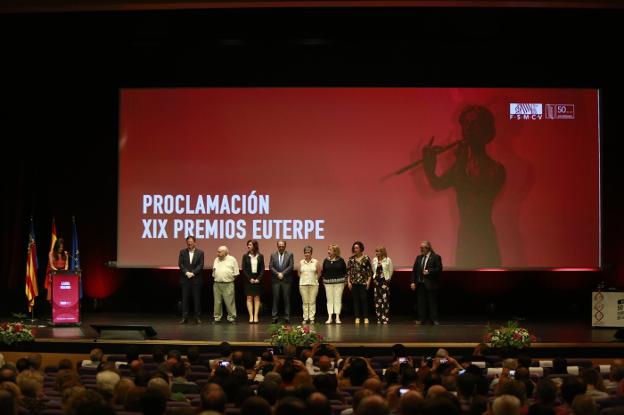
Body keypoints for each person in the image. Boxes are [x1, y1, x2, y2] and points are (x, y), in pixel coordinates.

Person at [422, 105, 505, 268]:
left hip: (484, 238)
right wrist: (429, 166)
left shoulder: (496, 169)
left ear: (486, 129)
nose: (468, 128)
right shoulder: (461, 165)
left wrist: (460, 164)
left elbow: (476, 199)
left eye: (474, 124)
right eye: (465, 124)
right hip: (465, 238)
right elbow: (437, 184)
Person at [410, 240, 442, 325]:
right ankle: (421, 319)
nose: (421, 249)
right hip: (420, 284)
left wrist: (429, 271)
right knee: (421, 303)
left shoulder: (435, 257)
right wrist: (413, 282)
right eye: (420, 248)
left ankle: (434, 319)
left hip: (431, 284)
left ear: (428, 248)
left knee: (432, 302)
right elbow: (414, 271)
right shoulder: (419, 258)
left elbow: (439, 269)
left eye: (422, 248)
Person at [178, 235, 205, 324]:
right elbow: (181, 264)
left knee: (197, 299)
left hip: (196, 279)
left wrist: (193, 273)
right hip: (185, 279)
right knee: (185, 299)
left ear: (195, 243)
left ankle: (197, 317)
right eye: (188, 241)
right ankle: (184, 317)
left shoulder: (200, 253)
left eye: (191, 241)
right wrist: (186, 273)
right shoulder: (182, 252)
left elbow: (200, 265)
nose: (189, 243)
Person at [346, 241, 373, 324]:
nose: (355, 249)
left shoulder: (366, 258)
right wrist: (349, 282)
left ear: (361, 248)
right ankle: (357, 317)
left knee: (364, 299)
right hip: (354, 282)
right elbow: (349, 272)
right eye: (354, 248)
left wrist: (368, 282)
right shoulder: (351, 259)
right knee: (356, 300)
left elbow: (369, 272)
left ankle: (365, 317)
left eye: (357, 248)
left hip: (363, 282)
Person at [212, 245, 239, 323]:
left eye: (219, 252)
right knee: (217, 302)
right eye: (217, 251)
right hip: (217, 284)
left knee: (229, 302)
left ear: (225, 252)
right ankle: (217, 318)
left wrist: (229, 280)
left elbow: (236, 273)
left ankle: (231, 317)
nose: (217, 253)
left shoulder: (232, 259)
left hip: (228, 284)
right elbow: (214, 272)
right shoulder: (216, 259)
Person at [269, 240, 294, 324]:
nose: (281, 247)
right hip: (276, 280)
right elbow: (271, 266)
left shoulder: (289, 254)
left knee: (286, 299)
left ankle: (287, 317)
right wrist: (278, 274)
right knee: (275, 299)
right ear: (277, 246)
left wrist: (282, 273)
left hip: (286, 280)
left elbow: (291, 266)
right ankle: (274, 317)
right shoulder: (273, 255)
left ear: (285, 246)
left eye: (282, 246)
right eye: (279, 246)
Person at [322, 244, 347, 324]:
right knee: (329, 300)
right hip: (328, 283)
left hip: (339, 283)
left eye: (331, 250)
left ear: (335, 252)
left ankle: (337, 317)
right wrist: (324, 281)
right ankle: (329, 317)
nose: (328, 251)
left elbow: (345, 272)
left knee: (337, 299)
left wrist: (345, 281)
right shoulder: (325, 260)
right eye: (328, 249)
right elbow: (324, 272)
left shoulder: (341, 260)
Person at [242, 240, 265, 324]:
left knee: (256, 298)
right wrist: (249, 279)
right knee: (249, 298)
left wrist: (258, 279)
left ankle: (256, 316)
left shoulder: (260, 256)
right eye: (248, 244)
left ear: (254, 246)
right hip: (249, 279)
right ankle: (251, 316)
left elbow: (262, 269)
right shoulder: (245, 256)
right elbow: (244, 269)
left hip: (257, 279)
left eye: (250, 245)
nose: (248, 246)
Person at [371, 246, 394, 324]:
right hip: (376, 282)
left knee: (385, 300)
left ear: (382, 252)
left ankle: (385, 318)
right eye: (376, 251)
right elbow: (373, 270)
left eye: (378, 251)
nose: (376, 253)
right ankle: (379, 318)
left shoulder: (387, 260)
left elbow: (391, 270)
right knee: (377, 300)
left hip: (384, 282)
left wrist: (388, 279)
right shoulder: (374, 260)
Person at [299, 245, 320, 324]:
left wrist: (314, 279)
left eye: (308, 252)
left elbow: (319, 273)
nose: (307, 254)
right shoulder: (301, 262)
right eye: (305, 252)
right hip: (303, 285)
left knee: (312, 302)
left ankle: (311, 318)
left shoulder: (315, 262)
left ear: (311, 253)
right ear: (304, 253)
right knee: (305, 302)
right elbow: (299, 273)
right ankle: (305, 318)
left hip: (313, 285)